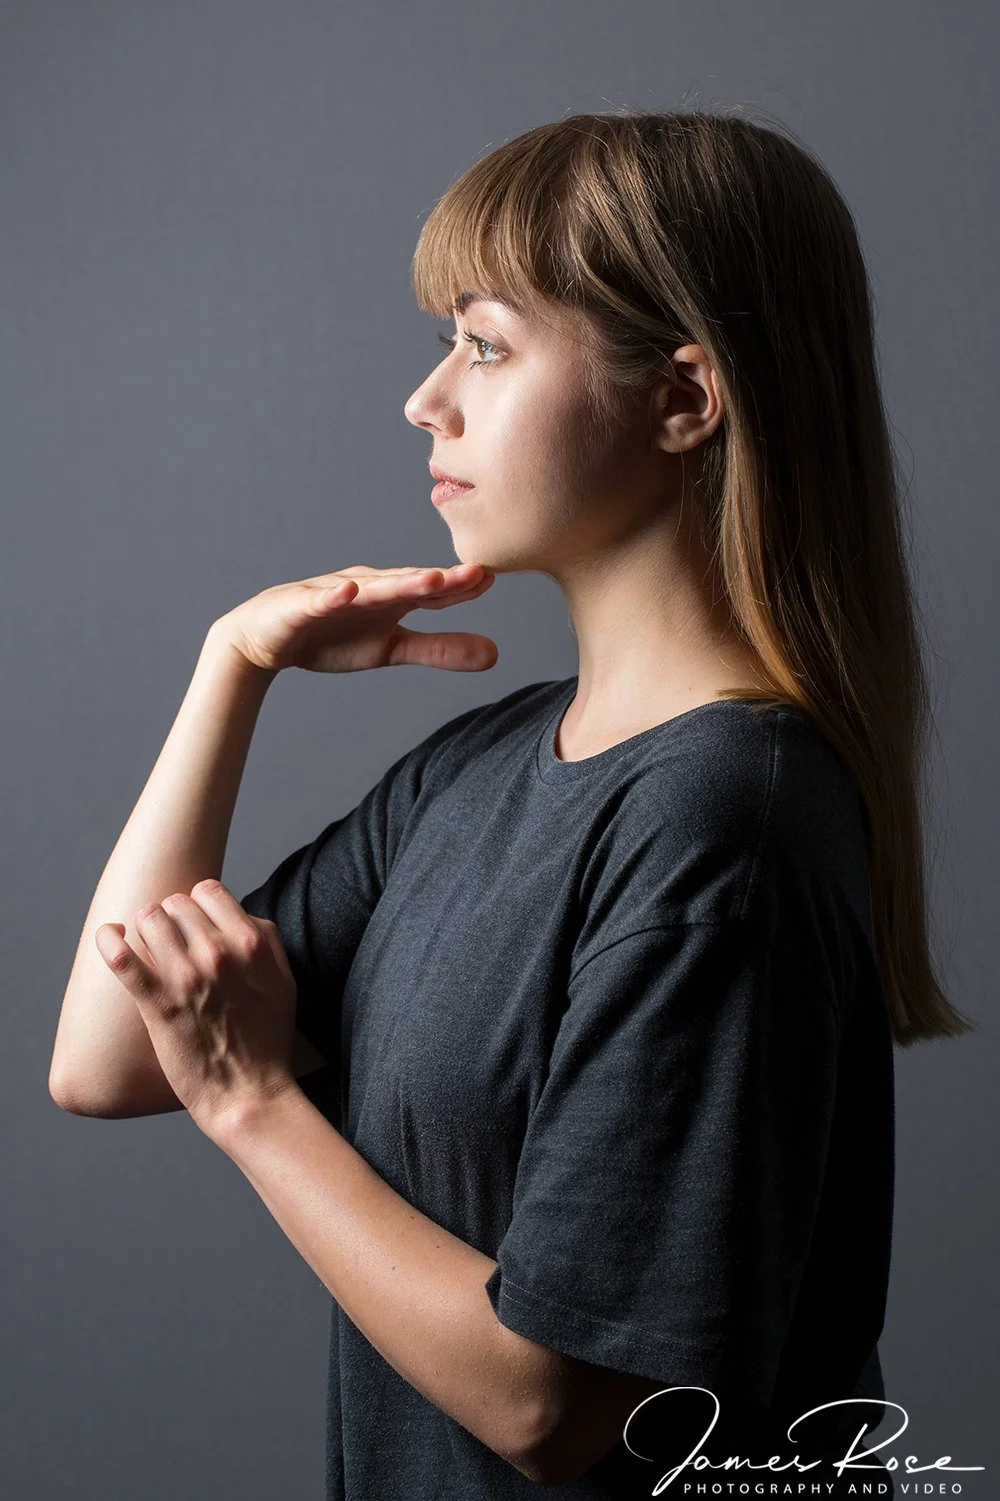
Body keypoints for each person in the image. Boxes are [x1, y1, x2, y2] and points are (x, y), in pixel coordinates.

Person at [49, 108, 973, 1501]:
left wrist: (253, 1104)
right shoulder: (472, 773)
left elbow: (552, 1403)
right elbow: (110, 1057)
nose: (431, 401)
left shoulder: (725, 821)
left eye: (486, 343)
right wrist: (230, 670)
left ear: (684, 398)